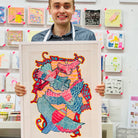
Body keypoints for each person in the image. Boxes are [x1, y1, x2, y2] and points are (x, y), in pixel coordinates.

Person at [15, 0, 105, 97]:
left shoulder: (87, 37)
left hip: (77, 95)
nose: (62, 11)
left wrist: (99, 86)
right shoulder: (37, 40)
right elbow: (32, 77)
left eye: (66, 6)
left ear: (73, 9)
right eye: (57, 6)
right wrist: (22, 89)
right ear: (49, 10)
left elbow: (96, 72)